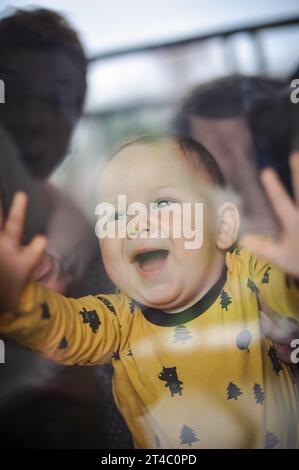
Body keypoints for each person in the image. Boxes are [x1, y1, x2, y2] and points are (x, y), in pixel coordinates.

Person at [0, 134, 299, 449]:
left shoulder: (250, 273)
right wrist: (17, 300)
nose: (136, 224)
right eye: (116, 215)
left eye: (163, 203)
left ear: (223, 226)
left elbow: (286, 295)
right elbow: (64, 329)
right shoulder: (118, 320)